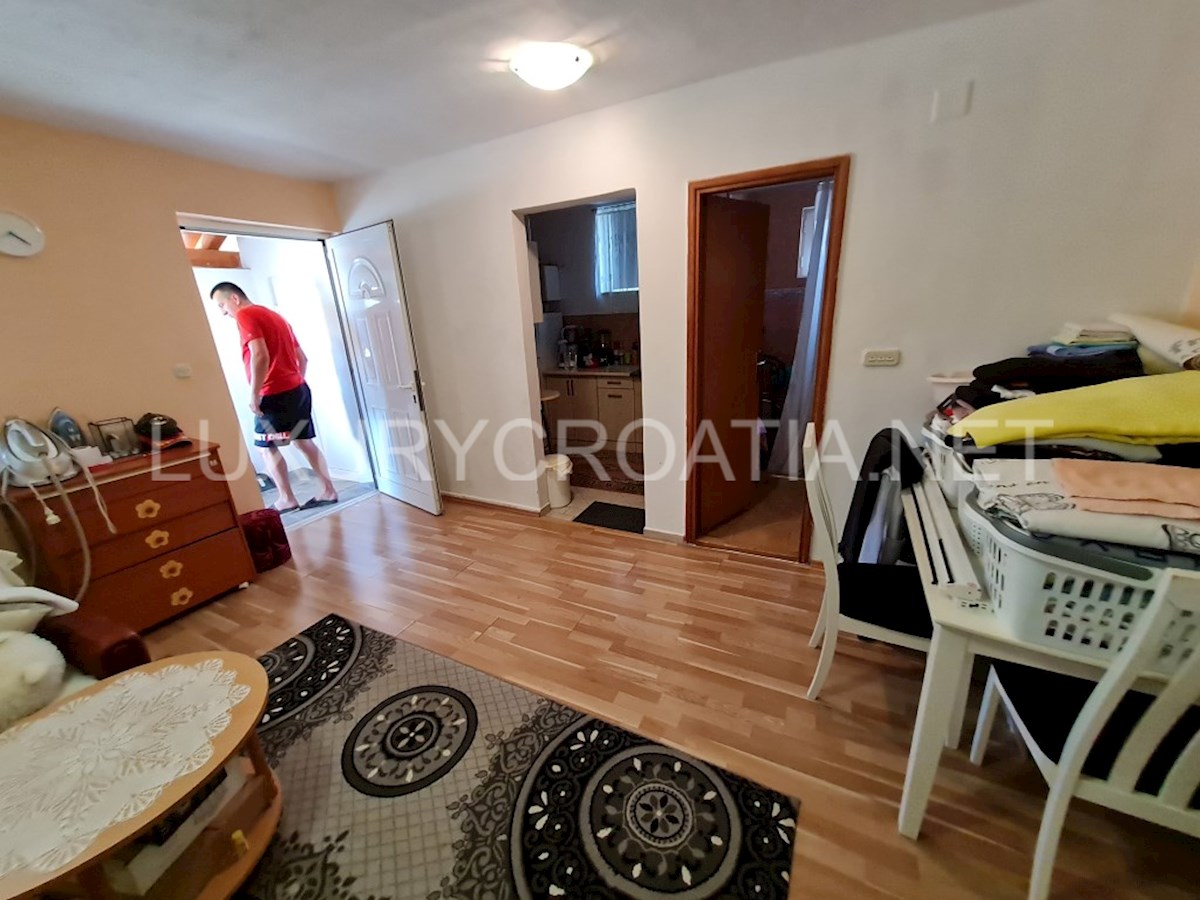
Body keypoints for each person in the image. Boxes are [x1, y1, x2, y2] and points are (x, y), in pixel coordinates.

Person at [211, 282, 338, 513]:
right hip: (298, 389)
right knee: (303, 441)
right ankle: (328, 490)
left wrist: (254, 394)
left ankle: (287, 499)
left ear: (234, 299)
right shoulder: (276, 316)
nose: (223, 312)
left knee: (265, 447)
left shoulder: (246, 315)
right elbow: (303, 358)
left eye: (222, 305)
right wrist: (294, 382)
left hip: (273, 394)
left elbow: (260, 355)